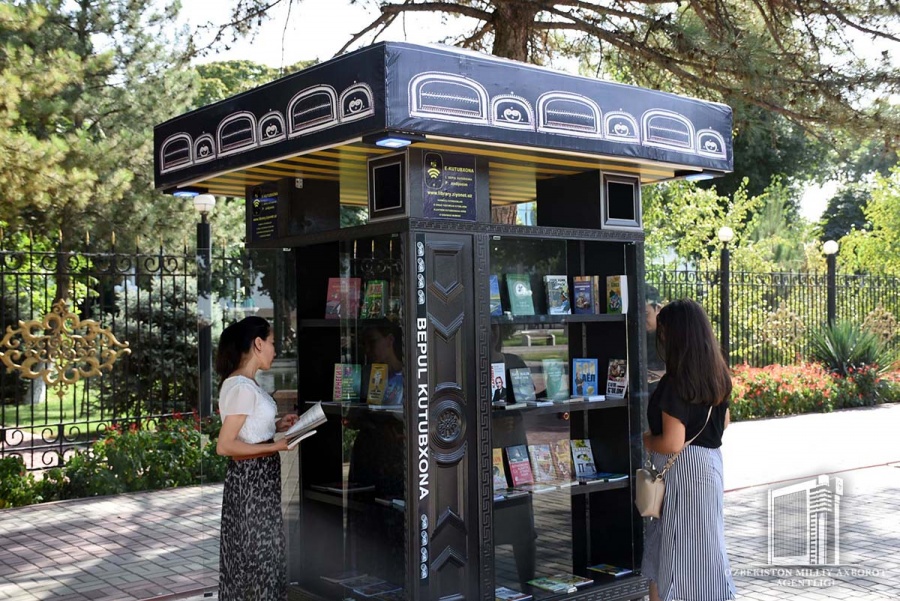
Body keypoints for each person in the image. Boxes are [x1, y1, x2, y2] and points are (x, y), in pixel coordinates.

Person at [641, 299, 736, 601]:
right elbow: (725, 422)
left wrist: (646, 440)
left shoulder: (675, 382)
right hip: (709, 465)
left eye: (663, 332)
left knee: (677, 550)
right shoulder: (717, 374)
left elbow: (672, 442)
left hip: (683, 473)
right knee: (702, 548)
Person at [215, 316, 300, 601]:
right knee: (258, 557)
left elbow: (248, 430)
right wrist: (275, 447)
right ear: (258, 344)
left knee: (261, 554)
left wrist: (277, 425)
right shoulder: (241, 387)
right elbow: (225, 445)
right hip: (252, 481)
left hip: (258, 480)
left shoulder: (244, 384)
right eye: (273, 343)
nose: (275, 350)